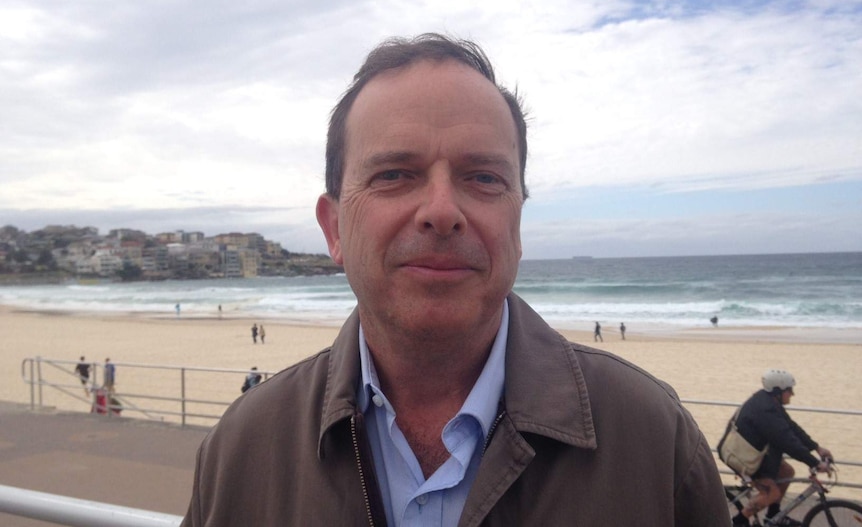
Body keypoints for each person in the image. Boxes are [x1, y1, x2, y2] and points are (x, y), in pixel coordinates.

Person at [181, 33, 726, 526]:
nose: (442, 211)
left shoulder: (653, 441)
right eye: (394, 174)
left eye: (483, 177)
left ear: (517, 219)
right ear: (334, 228)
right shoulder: (243, 447)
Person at [728, 369, 832, 526]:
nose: (792, 394)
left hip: (753, 452)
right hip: (742, 456)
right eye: (790, 390)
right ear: (778, 391)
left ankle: (773, 516)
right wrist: (815, 463)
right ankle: (738, 521)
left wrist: (817, 448)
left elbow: (791, 428)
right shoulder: (766, 410)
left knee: (787, 471)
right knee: (771, 493)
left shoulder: (770, 402)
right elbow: (787, 441)